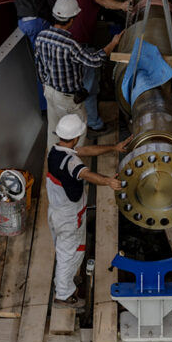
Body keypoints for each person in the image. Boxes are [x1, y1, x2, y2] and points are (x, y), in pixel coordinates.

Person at [46, 114, 129, 310]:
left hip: (57, 211)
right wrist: (109, 181)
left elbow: (84, 151)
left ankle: (65, 280)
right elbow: (86, 174)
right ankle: (63, 296)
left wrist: (114, 147)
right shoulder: (71, 162)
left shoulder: (56, 150)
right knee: (69, 253)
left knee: (65, 250)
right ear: (76, 137)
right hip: (69, 217)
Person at [35, 0, 123, 149]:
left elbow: (39, 65)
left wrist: (45, 84)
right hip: (67, 99)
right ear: (71, 20)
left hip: (49, 92)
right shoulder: (70, 44)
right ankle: (73, 161)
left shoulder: (41, 37)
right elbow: (94, 61)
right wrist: (113, 43)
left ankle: (53, 157)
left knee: (54, 129)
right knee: (77, 131)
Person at [65, 0, 132, 135]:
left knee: (75, 86)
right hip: (82, 46)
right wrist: (122, 5)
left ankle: (73, 123)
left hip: (66, 45)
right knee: (89, 86)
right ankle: (94, 125)